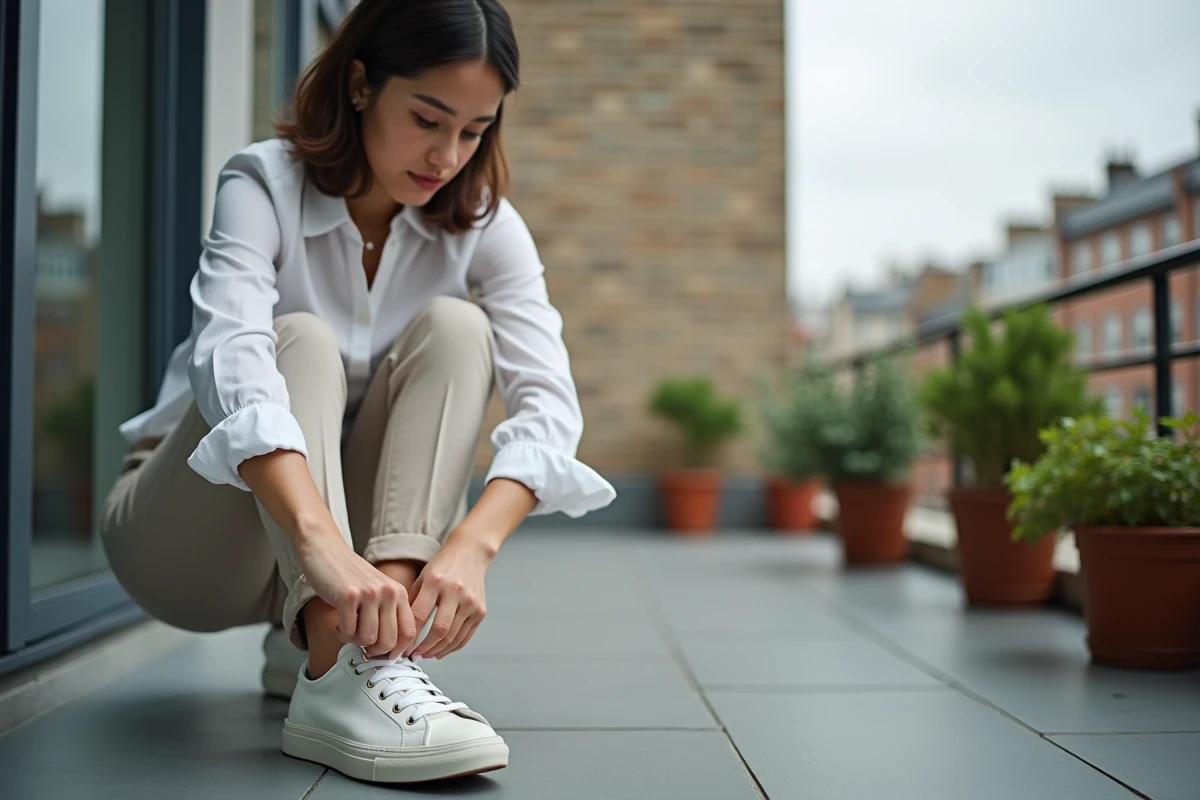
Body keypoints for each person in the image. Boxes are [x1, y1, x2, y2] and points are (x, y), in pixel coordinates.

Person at [99, 0, 614, 785]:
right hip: (189, 543)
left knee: (458, 328)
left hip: (336, 556)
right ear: (363, 84)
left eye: (475, 130)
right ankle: (339, 633)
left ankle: (353, 649)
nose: (447, 155)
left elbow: (550, 403)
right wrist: (319, 545)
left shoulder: (483, 223)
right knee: (294, 338)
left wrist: (470, 549)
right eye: (429, 119)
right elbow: (231, 360)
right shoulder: (261, 182)